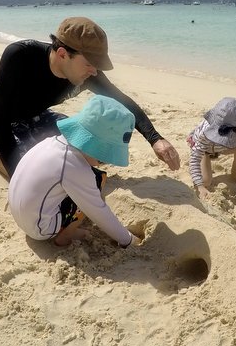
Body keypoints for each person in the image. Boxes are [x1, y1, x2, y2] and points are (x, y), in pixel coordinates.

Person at [0, 16, 180, 178]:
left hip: (37, 116)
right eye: (89, 64)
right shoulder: (21, 56)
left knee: (95, 151)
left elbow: (121, 101)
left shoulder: (88, 72)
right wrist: (20, 177)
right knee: (38, 174)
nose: (94, 72)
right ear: (63, 54)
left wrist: (156, 139)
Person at [8, 95, 140, 247]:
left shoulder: (51, 143)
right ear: (93, 147)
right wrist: (127, 240)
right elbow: (98, 211)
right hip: (41, 229)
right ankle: (66, 235)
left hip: (22, 215)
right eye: (103, 158)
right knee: (97, 180)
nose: (105, 162)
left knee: (82, 181)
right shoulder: (74, 167)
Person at [187, 97, 236, 199]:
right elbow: (195, 158)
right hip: (206, 150)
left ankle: (235, 173)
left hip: (224, 148)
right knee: (205, 181)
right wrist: (199, 186)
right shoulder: (205, 132)